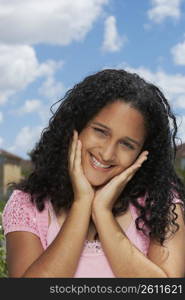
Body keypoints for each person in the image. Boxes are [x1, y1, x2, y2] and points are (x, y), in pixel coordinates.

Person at [2, 69, 185, 278]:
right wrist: (82, 203)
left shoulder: (160, 204)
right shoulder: (28, 205)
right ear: (77, 126)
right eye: (100, 131)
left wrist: (103, 213)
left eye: (126, 144)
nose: (107, 154)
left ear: (143, 153)